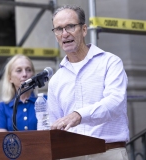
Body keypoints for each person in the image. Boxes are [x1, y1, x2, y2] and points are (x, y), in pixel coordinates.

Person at [48, 5, 129, 160]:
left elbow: (115, 102)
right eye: (59, 29)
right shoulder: (56, 80)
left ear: (84, 30)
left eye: (70, 26)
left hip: (108, 153)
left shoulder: (110, 62)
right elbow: (54, 126)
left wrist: (79, 115)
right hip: (70, 155)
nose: (65, 34)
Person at [0, 54, 42, 132]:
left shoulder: (44, 101)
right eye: (19, 70)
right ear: (10, 78)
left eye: (28, 70)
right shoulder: (3, 106)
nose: (24, 74)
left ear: (33, 75)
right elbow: (1, 139)